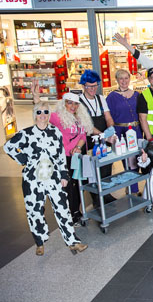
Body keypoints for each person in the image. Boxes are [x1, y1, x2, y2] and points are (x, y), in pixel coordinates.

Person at [3, 102, 88, 256]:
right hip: (33, 180)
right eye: (39, 112)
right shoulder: (26, 133)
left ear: (49, 114)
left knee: (63, 209)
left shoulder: (55, 132)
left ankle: (72, 242)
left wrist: (64, 175)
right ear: (35, 114)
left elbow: (61, 156)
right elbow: (8, 147)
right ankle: (40, 242)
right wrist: (23, 159)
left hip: (53, 178)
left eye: (46, 112)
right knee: (34, 211)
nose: (42, 115)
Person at [47, 93, 93, 224]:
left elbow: (83, 136)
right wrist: (35, 97)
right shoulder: (57, 117)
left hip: (77, 157)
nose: (73, 106)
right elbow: (43, 112)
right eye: (69, 103)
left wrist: (78, 147)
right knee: (68, 187)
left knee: (79, 184)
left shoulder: (80, 117)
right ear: (64, 104)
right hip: (64, 158)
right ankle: (69, 215)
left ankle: (76, 211)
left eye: (76, 103)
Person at [78, 69, 117, 200]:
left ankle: (106, 193)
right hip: (89, 140)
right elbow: (86, 125)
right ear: (83, 86)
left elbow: (108, 117)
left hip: (104, 137)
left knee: (106, 164)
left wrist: (111, 129)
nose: (93, 89)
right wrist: (103, 135)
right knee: (91, 168)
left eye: (95, 86)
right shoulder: (79, 102)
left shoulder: (100, 99)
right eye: (89, 86)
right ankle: (95, 197)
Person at [106, 68, 142, 193]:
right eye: (121, 78)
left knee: (137, 159)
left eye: (126, 78)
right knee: (127, 160)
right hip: (121, 131)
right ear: (117, 80)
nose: (124, 81)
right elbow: (108, 116)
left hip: (136, 130)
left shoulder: (136, 95)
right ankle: (132, 189)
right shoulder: (112, 97)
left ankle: (133, 186)